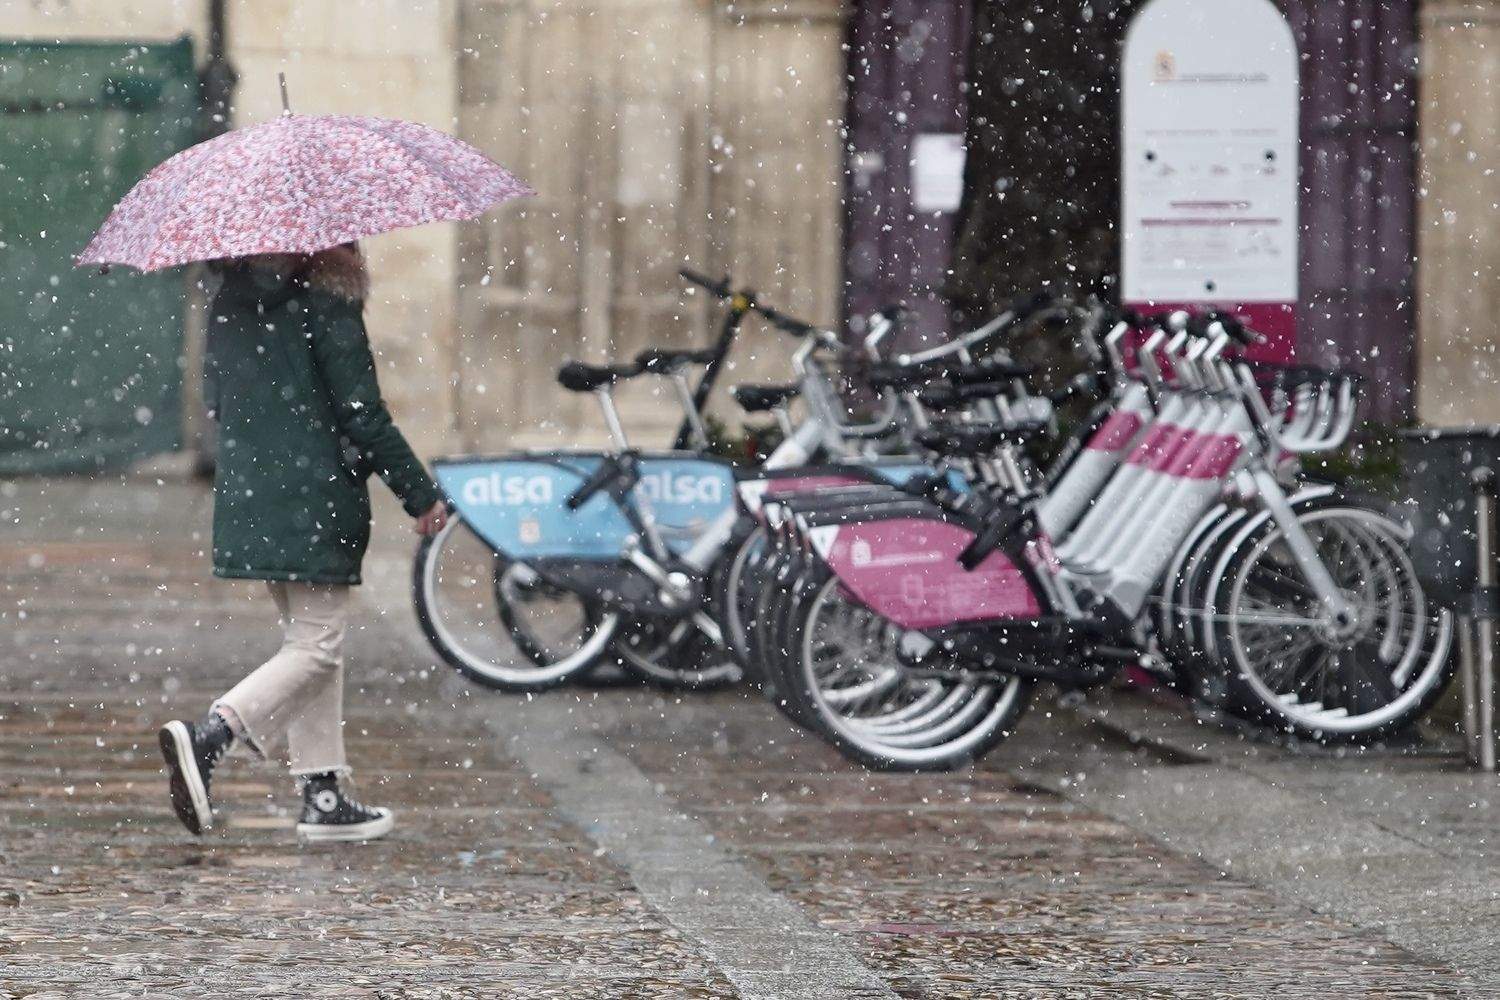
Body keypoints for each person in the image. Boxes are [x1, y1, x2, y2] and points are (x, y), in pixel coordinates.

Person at [158, 243, 447, 843]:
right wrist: (420, 493)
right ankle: (213, 734)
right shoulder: (327, 297)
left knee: (311, 643)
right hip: (314, 494)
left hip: (257, 495)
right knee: (316, 647)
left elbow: (216, 400)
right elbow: (363, 413)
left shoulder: (232, 296)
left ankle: (323, 793)